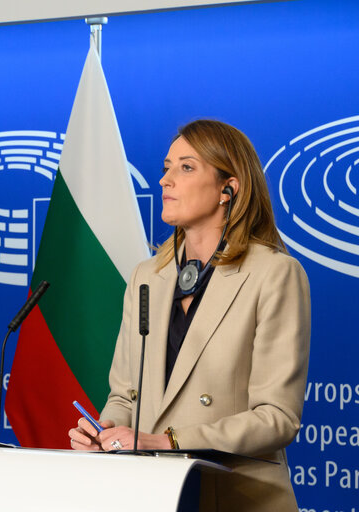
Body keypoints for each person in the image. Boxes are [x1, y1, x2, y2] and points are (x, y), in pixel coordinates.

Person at [68, 119, 310, 511]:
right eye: (166, 167)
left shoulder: (275, 274)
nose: (165, 180)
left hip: (236, 498)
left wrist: (169, 440)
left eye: (186, 167)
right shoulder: (147, 276)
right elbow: (124, 396)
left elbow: (277, 418)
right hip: (153, 495)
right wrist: (106, 430)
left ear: (228, 189)